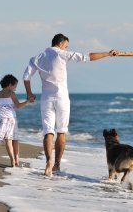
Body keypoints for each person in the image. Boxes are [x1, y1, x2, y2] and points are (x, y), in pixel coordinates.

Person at [23, 33, 122, 176]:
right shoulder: (62, 54)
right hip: (62, 98)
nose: (66, 48)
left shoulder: (37, 58)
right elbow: (88, 56)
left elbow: (26, 77)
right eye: (66, 46)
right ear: (61, 44)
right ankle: (57, 165)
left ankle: (48, 162)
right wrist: (108, 53)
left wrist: (29, 94)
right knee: (61, 132)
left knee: (48, 132)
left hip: (46, 98)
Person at [0, 74, 33, 167]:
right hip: (12, 120)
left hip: (2, 120)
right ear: (9, 84)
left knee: (8, 140)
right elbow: (19, 106)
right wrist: (27, 101)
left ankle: (12, 160)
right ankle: (17, 159)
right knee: (15, 139)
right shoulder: (11, 94)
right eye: (15, 86)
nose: (16, 88)